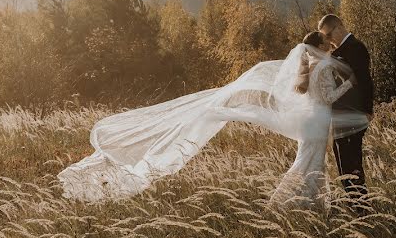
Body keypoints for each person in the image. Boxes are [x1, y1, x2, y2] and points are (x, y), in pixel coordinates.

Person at [57, 29, 369, 207]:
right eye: (326, 45)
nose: (330, 49)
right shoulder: (323, 68)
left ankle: (311, 204)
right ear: (318, 47)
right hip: (317, 122)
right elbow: (326, 97)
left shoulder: (305, 68)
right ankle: (285, 202)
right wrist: (348, 86)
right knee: (309, 161)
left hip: (309, 122)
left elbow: (307, 96)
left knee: (310, 160)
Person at [317, 14, 373, 207]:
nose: (329, 40)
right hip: (339, 116)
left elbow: (365, 81)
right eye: (326, 37)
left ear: (339, 27)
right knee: (341, 162)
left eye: (330, 35)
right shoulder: (335, 53)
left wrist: (367, 110)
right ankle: (353, 203)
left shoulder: (356, 48)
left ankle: (362, 206)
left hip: (354, 114)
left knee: (352, 163)